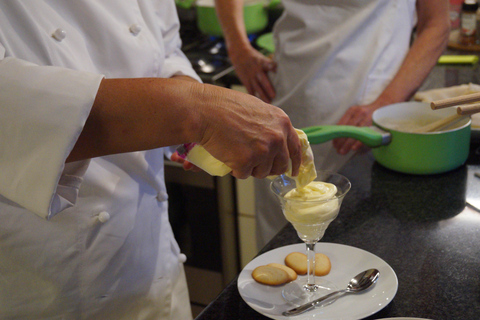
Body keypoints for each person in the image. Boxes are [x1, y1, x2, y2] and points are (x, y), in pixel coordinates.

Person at [0, 1, 302, 320]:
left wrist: (188, 108)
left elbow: (165, 50)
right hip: (46, 279)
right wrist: (194, 113)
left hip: (152, 257)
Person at [215, 0, 450, 248]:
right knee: (284, 256)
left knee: (363, 252)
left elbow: (436, 24)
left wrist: (386, 102)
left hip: (368, 118)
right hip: (287, 96)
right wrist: (237, 47)